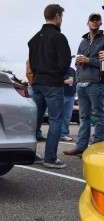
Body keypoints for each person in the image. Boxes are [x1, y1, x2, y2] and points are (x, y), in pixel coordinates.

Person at [28, 4, 72, 168]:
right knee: (55, 120)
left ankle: (31, 153)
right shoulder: (59, 37)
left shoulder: (33, 39)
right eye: (62, 16)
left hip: (37, 83)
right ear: (58, 16)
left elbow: (31, 63)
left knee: (36, 121)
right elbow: (65, 63)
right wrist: (59, 75)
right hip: (53, 83)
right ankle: (50, 158)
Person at [64, 13, 104, 156]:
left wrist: (89, 60)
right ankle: (81, 147)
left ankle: (96, 149)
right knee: (83, 117)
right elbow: (78, 63)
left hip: (96, 83)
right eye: (91, 20)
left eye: (97, 20)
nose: (94, 22)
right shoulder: (83, 41)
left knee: (99, 117)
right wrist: (78, 78)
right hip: (82, 84)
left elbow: (103, 65)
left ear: (100, 23)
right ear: (87, 23)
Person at [60, 67, 77, 141]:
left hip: (71, 95)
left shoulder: (72, 70)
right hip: (61, 94)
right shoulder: (58, 68)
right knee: (59, 116)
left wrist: (75, 90)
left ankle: (64, 134)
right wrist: (64, 81)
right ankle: (58, 134)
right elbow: (52, 80)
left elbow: (75, 81)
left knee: (67, 116)